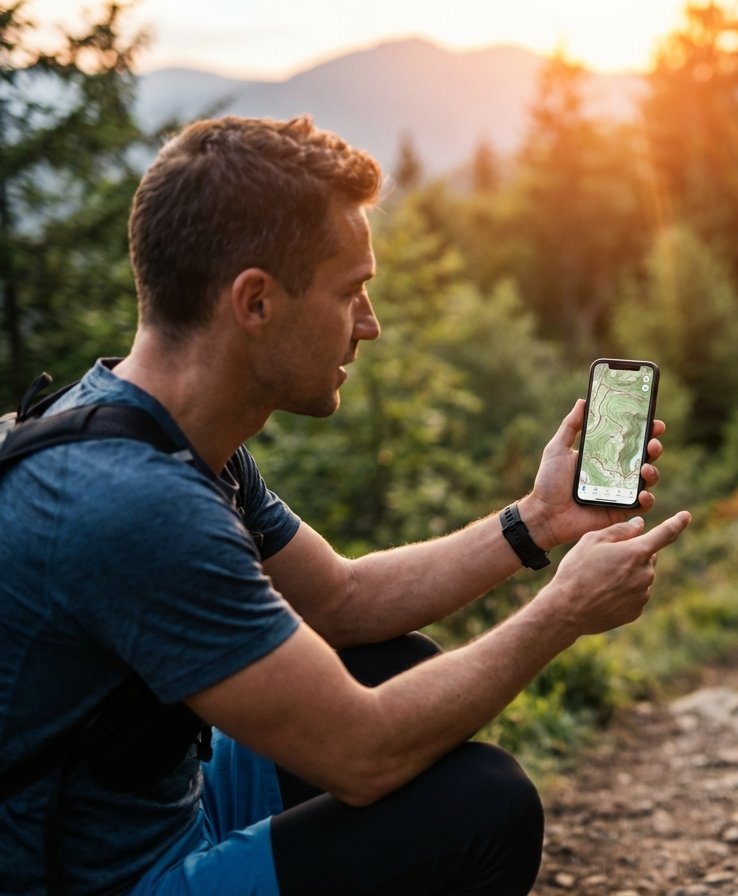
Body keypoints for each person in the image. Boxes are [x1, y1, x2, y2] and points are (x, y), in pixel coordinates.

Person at [0, 115, 691, 896]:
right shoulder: (137, 503)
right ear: (254, 302)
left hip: (162, 813)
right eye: (351, 292)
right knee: (480, 809)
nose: (371, 324)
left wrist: (536, 521)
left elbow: (341, 599)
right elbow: (363, 756)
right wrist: (562, 611)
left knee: (389, 662)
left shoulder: (159, 430)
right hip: (102, 882)